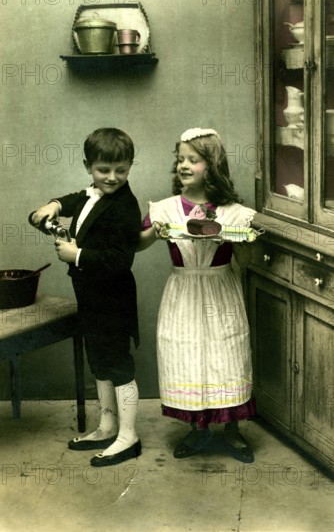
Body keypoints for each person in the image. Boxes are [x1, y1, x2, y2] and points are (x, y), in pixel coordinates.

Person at [138, 127, 257, 463]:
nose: (184, 165)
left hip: (222, 290)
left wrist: (239, 239)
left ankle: (232, 430)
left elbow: (245, 262)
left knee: (227, 354)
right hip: (184, 291)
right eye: (180, 159)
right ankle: (199, 430)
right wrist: (153, 231)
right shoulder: (165, 209)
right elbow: (139, 244)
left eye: (194, 159)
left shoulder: (234, 213)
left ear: (213, 166)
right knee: (186, 354)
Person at [30, 127, 142, 467]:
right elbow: (80, 198)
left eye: (121, 170)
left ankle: (129, 435)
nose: (112, 178)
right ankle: (108, 426)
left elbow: (120, 260)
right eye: (103, 170)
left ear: (130, 166)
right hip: (91, 297)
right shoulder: (95, 193)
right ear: (88, 166)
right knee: (99, 360)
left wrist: (76, 255)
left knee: (117, 363)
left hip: (113, 298)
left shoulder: (125, 206)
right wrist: (54, 205)